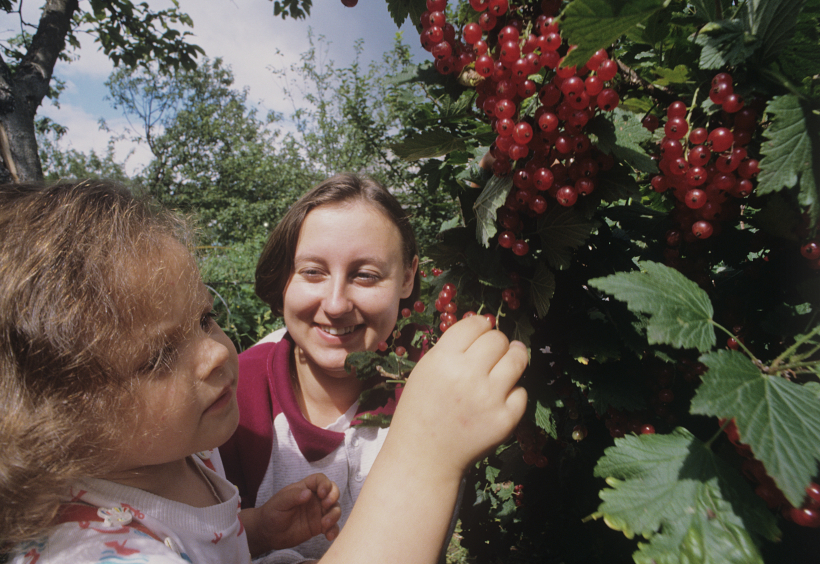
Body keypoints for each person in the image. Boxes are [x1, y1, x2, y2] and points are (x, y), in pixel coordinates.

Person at [0, 180, 529, 564]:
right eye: (158, 356)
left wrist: (255, 531)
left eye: (205, 318)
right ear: (58, 415)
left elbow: (205, 542)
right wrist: (425, 455)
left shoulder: (184, 448)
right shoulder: (98, 554)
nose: (213, 353)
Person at [221, 174, 440, 563]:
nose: (336, 304)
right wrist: (255, 531)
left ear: (407, 277)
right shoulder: (233, 395)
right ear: (284, 277)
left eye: (366, 275)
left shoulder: (432, 382)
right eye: (312, 271)